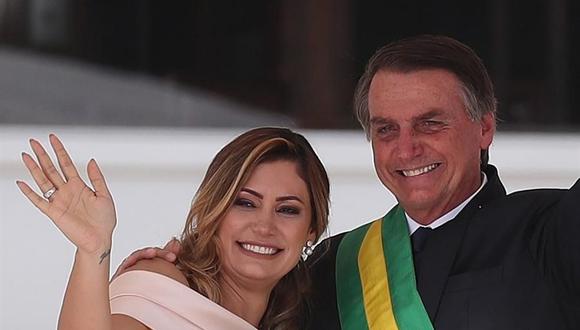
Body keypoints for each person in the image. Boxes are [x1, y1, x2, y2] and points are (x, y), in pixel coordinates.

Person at [120, 35, 580, 329]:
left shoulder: (551, 230)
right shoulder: (334, 265)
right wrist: (170, 281)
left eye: (430, 124)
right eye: (386, 129)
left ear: (484, 128)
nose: (406, 148)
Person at [17, 127, 330, 330]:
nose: (264, 226)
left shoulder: (311, 309)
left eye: (287, 210)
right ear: (214, 210)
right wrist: (92, 250)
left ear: (312, 229)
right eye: (245, 203)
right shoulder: (162, 283)